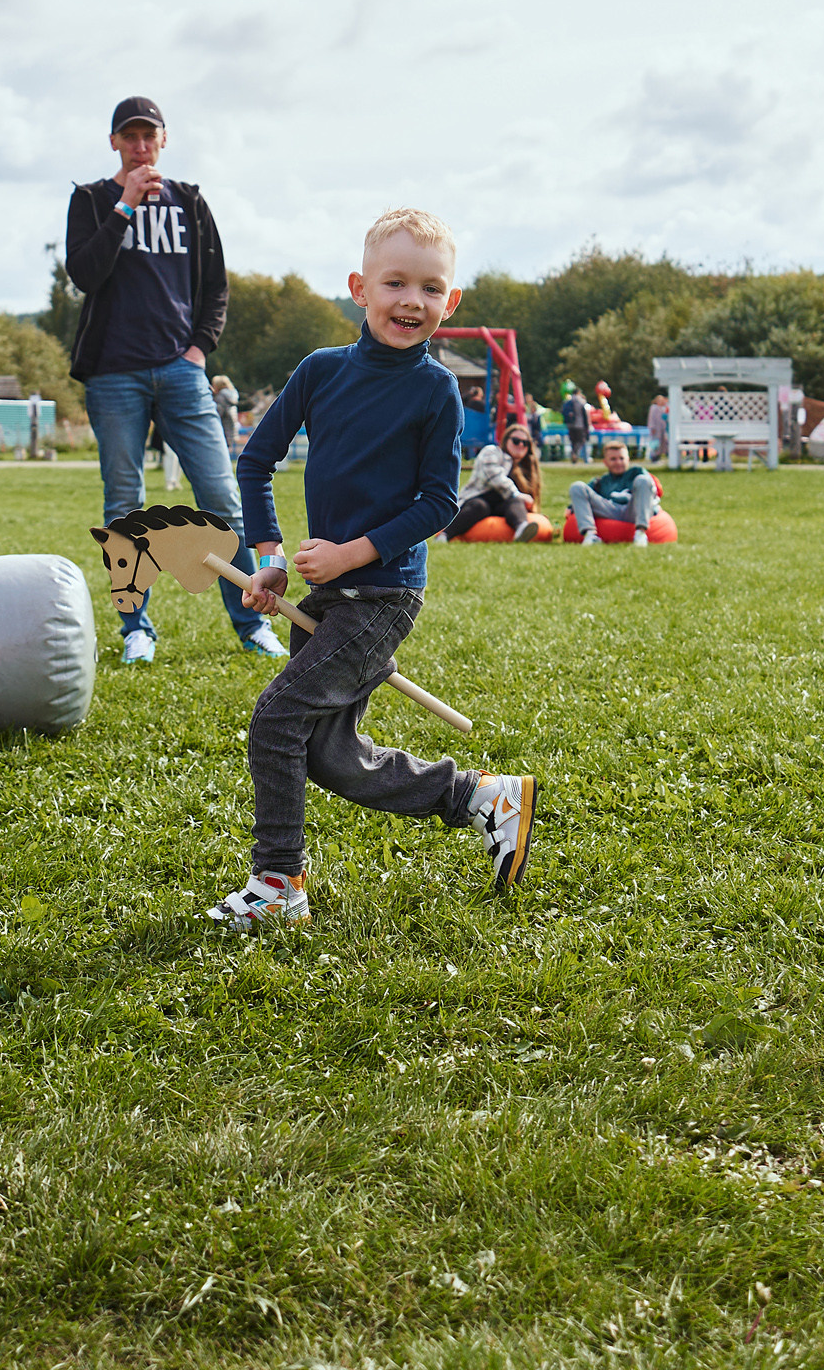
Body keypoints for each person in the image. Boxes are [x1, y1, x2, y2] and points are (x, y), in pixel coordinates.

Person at [220, 207, 536, 928]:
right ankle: (481, 798)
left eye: (430, 289)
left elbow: (436, 503)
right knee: (329, 755)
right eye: (395, 282)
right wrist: (271, 559)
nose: (410, 301)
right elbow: (255, 460)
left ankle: (278, 883)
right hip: (326, 592)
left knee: (277, 716)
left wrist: (351, 553)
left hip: (383, 595)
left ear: (449, 303)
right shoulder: (319, 371)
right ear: (361, 287)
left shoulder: (435, 390)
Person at [63, 96, 281, 663]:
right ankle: (135, 627)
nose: (140, 146)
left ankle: (251, 624)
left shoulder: (190, 202)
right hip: (114, 375)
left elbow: (216, 287)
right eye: (129, 137)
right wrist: (125, 207)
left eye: (149, 136)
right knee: (124, 504)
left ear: (164, 140)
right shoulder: (91, 200)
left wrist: (197, 350)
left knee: (222, 496)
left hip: (181, 373)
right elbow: (84, 274)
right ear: (114, 141)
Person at [444, 421, 543, 541]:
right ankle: (445, 535)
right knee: (480, 506)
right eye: (516, 441)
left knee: (515, 501)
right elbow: (494, 477)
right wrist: (517, 494)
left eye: (525, 443)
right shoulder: (491, 452)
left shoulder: (527, 468)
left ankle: (521, 528)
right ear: (506, 440)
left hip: (502, 507)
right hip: (478, 499)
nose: (521, 445)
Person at [569, 442, 656, 545]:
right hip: (609, 509)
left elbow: (650, 490)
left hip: (632, 510)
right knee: (577, 486)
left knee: (643, 480)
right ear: (605, 462)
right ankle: (590, 535)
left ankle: (640, 534)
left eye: (621, 458)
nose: (618, 462)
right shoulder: (600, 481)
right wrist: (571, 508)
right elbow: (582, 495)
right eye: (613, 459)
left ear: (628, 459)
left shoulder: (637, 472)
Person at [560, 380, 592, 462]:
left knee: (573, 441)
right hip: (579, 425)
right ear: (578, 393)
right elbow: (584, 415)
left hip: (570, 425)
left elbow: (563, 412)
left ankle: (573, 453)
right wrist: (587, 426)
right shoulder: (581, 402)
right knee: (580, 440)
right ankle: (575, 453)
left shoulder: (567, 403)